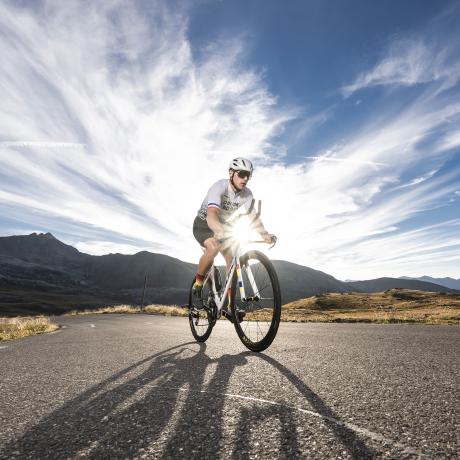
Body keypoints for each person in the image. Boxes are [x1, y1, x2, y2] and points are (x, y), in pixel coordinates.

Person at [192, 157, 277, 320]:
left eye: (249, 175)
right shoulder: (219, 187)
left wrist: (264, 234)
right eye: (242, 174)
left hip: (223, 226)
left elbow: (253, 218)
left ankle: (230, 306)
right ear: (231, 173)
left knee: (232, 260)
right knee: (213, 247)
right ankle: (198, 286)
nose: (245, 179)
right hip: (204, 223)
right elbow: (212, 215)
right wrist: (218, 230)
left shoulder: (247, 194)